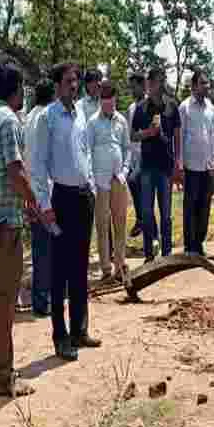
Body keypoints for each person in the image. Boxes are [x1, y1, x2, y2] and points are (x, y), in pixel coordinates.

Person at [0, 62, 40, 396]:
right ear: (17, 89)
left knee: (2, 298)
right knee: (5, 302)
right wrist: (34, 202)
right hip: (5, 225)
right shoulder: (8, 122)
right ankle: (3, 375)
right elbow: (15, 171)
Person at [33, 63, 99, 361]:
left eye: (76, 81)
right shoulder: (48, 118)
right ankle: (60, 337)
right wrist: (45, 206)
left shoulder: (81, 113)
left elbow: (85, 151)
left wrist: (92, 187)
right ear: (57, 85)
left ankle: (79, 330)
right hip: (60, 198)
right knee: (59, 272)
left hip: (83, 196)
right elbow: (38, 166)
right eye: (69, 81)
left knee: (80, 267)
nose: (75, 86)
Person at [131, 68, 180, 261]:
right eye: (154, 82)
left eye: (161, 81)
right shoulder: (141, 108)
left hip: (166, 167)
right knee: (146, 211)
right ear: (148, 84)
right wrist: (148, 133)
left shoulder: (171, 106)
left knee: (166, 213)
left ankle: (167, 253)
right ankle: (149, 254)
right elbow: (133, 135)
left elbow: (177, 134)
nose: (158, 86)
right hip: (146, 167)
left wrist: (178, 162)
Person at [88, 81, 131, 281]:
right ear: (100, 101)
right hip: (100, 181)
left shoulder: (121, 120)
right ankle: (106, 268)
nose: (108, 105)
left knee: (120, 223)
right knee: (102, 225)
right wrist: (91, 179)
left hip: (118, 179)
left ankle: (120, 266)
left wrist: (124, 172)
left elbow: (127, 149)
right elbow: (87, 152)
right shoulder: (92, 122)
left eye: (111, 101)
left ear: (115, 100)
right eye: (105, 101)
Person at [175, 70, 214, 256]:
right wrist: (179, 165)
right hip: (191, 166)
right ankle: (189, 246)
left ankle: (199, 243)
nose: (207, 86)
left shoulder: (211, 107)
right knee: (190, 206)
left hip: (208, 166)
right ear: (193, 86)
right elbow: (178, 137)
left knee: (205, 206)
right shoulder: (184, 107)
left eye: (207, 83)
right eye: (203, 83)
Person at [24, 80, 56, 319]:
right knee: (49, 248)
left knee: (39, 249)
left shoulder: (28, 119)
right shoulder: (46, 118)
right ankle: (45, 300)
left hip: (32, 190)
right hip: (46, 191)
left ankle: (40, 299)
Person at [125, 73, 146, 238]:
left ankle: (142, 219)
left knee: (133, 181)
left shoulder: (150, 105)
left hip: (147, 154)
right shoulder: (131, 108)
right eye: (130, 87)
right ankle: (143, 220)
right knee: (133, 183)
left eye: (134, 87)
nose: (132, 90)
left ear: (143, 85)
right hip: (133, 155)